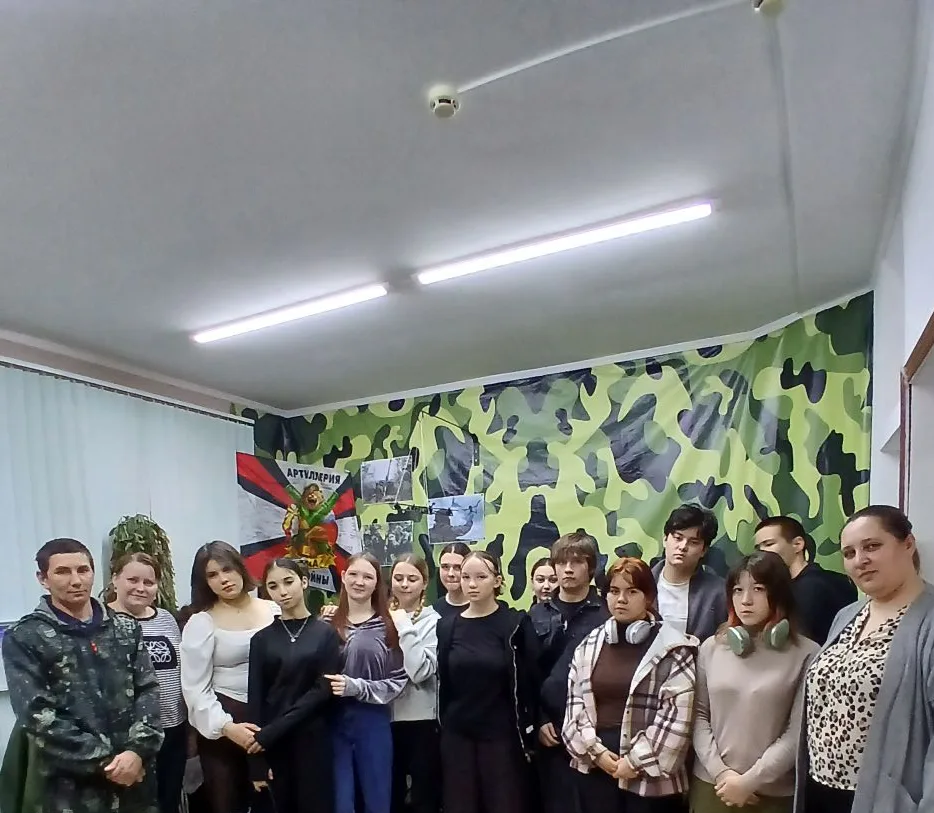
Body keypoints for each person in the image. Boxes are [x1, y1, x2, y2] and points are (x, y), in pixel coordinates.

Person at [2, 538, 163, 813]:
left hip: (134, 782)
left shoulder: (125, 628)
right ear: (43, 579)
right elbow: (37, 715)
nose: (76, 580)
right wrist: (108, 762)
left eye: (83, 570)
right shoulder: (25, 637)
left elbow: (148, 690)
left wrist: (137, 751)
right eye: (63, 572)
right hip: (68, 788)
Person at [797, 505, 934, 813]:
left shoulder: (928, 622)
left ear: (908, 544)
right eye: (849, 553)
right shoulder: (848, 615)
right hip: (820, 789)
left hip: (885, 799)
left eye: (872, 546)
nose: (860, 560)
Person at [563, 557, 698, 813]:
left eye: (632, 591)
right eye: (614, 591)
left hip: (651, 779)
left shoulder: (675, 648)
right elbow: (575, 705)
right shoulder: (589, 644)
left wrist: (636, 762)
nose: (621, 599)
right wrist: (596, 752)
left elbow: (677, 718)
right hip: (597, 768)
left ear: (649, 597)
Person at [691, 552, 818, 813]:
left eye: (758, 589)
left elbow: (797, 732)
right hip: (713, 786)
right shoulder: (711, 647)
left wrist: (749, 781)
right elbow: (699, 716)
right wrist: (722, 774)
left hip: (772, 793)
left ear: (779, 594)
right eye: (738, 590)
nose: (746, 600)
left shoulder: (807, 653)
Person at [437, 551, 540, 813]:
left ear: (497, 580)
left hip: (501, 735)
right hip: (458, 734)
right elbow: (444, 681)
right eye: (466, 577)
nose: (471, 584)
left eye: (480, 577)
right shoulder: (447, 626)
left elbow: (531, 680)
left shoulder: (515, 623)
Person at [180, 540, 278, 813]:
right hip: (224, 730)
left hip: (273, 723)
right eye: (212, 575)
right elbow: (195, 690)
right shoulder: (201, 623)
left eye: (227, 569)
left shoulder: (273, 610)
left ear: (239, 567)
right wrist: (227, 727)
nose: (223, 579)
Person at [247, 558, 343, 813]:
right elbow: (255, 698)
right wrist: (256, 761)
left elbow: (322, 691)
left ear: (304, 581)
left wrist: (273, 731)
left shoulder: (325, 633)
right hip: (273, 746)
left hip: (312, 740)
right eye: (273, 586)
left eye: (288, 582)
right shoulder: (261, 639)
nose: (283, 591)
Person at [530, 530, 610, 813]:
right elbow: (528, 675)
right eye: (561, 562)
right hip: (550, 733)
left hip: (596, 732)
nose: (567, 569)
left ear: (591, 567)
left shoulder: (607, 614)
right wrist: (539, 719)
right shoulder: (536, 615)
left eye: (576, 562)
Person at [324, 552, 407, 813]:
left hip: (372, 721)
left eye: (368, 577)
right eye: (354, 574)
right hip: (331, 721)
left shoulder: (389, 627)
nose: (359, 582)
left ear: (377, 583)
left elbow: (398, 681)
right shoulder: (325, 625)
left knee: (377, 800)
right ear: (343, 577)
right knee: (340, 802)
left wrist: (357, 687)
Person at [108, 552, 187, 813]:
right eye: (132, 580)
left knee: (168, 801)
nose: (141, 588)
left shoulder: (165, 618)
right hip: (128, 737)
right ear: (115, 579)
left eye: (149, 582)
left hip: (173, 729)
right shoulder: (103, 622)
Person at [388, 554, 442, 813]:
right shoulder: (380, 616)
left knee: (423, 796)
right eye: (398, 578)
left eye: (412, 578)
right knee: (391, 794)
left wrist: (404, 625)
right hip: (384, 718)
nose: (404, 584)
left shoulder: (434, 621)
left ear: (424, 583)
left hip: (422, 720)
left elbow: (419, 671)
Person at [753, 515, 857, 644]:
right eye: (758, 548)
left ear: (798, 544)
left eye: (769, 544)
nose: (762, 552)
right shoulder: (827, 580)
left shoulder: (811, 587)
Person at [651, 505, 726, 641]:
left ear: (704, 550)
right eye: (678, 538)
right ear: (665, 539)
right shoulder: (640, 583)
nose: (683, 547)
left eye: (693, 542)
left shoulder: (719, 593)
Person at [432, 542, 471, 618]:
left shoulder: (484, 608)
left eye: (458, 567)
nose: (450, 574)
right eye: (445, 567)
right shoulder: (434, 611)